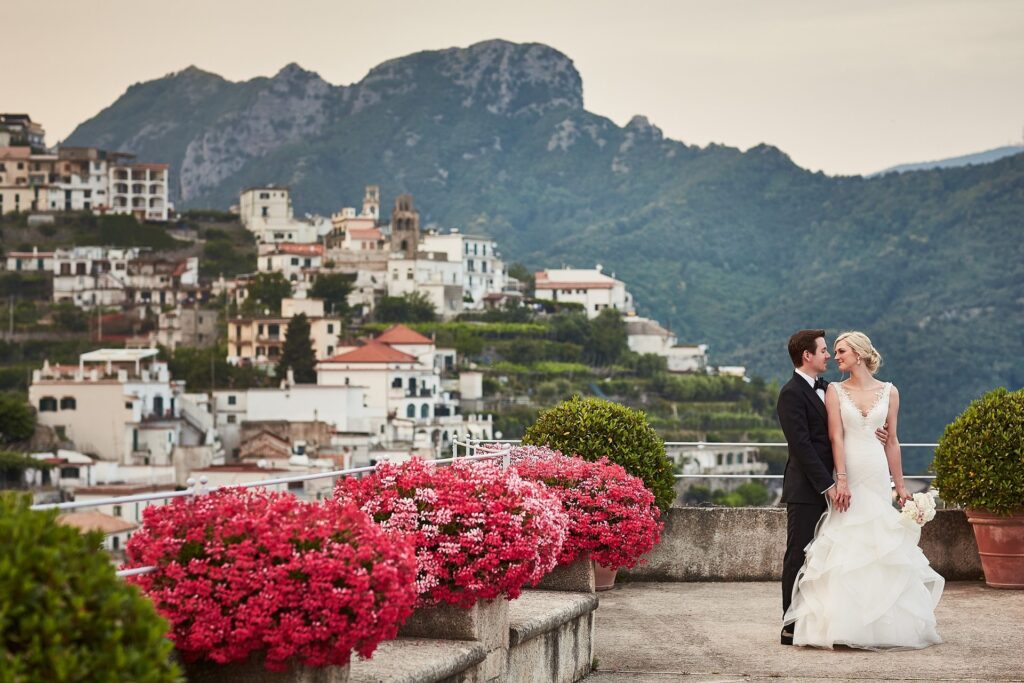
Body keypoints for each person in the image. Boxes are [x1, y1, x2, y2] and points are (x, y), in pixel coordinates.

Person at [782, 331, 943, 650]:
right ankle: (837, 624)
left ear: (858, 353)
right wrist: (840, 478)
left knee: (880, 545)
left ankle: (882, 627)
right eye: (830, 351)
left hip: (877, 474)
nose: (834, 356)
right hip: (849, 474)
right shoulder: (834, 391)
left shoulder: (891, 392)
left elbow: (893, 440)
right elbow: (836, 438)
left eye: (840, 351)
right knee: (846, 545)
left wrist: (900, 485)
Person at [776, 329, 887, 646]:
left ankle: (822, 618)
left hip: (841, 486)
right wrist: (829, 484)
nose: (828, 355)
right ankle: (790, 623)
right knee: (799, 555)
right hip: (807, 489)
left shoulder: (830, 388)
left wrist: (877, 431)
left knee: (829, 558)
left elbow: (855, 417)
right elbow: (801, 446)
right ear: (806, 356)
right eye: (824, 350)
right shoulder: (791, 393)